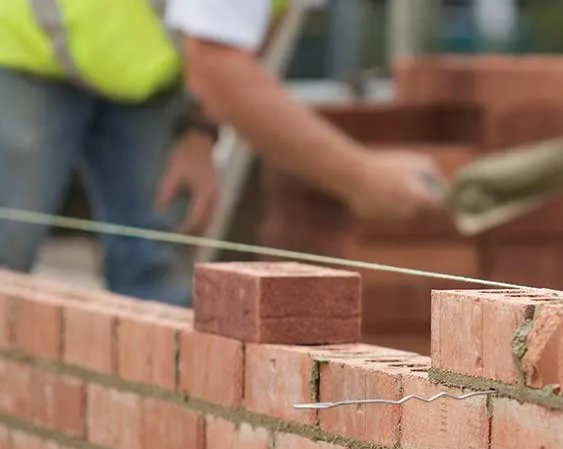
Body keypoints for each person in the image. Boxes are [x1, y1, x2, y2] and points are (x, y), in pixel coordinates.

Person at [0, 0, 445, 307]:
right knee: (8, 246)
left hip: (146, 76)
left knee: (157, 264)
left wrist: (200, 131)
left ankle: (159, 419)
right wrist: (361, 177)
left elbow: (253, 25)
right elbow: (216, 63)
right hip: (26, 51)